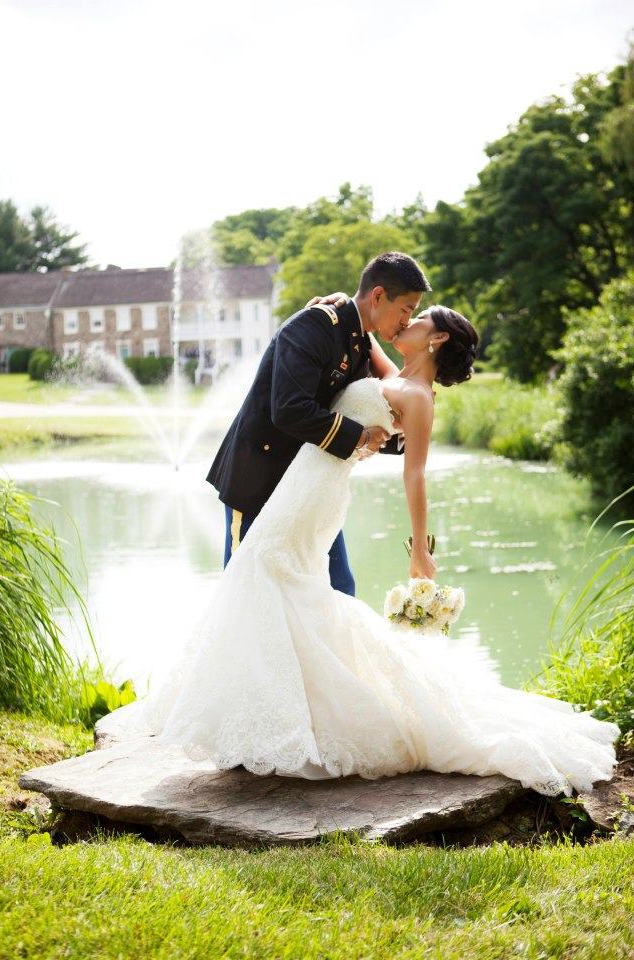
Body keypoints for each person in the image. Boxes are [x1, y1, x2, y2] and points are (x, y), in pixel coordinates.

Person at [97, 305, 618, 796]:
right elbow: (361, 326)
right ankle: (271, 712)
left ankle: (284, 718)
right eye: (405, 311)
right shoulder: (391, 369)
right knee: (276, 584)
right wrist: (332, 305)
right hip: (302, 486)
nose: (407, 320)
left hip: (317, 494)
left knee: (268, 576)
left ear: (435, 339)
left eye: (418, 319)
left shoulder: (419, 398)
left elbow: (415, 476)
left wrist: (420, 551)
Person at [206, 251, 431, 596]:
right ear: (378, 296)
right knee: (244, 588)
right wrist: (359, 438)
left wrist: (421, 392)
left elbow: (386, 392)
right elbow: (290, 409)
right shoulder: (314, 325)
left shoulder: (360, 339)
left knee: (339, 588)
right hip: (258, 478)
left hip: (310, 483)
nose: (406, 320)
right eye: (406, 309)